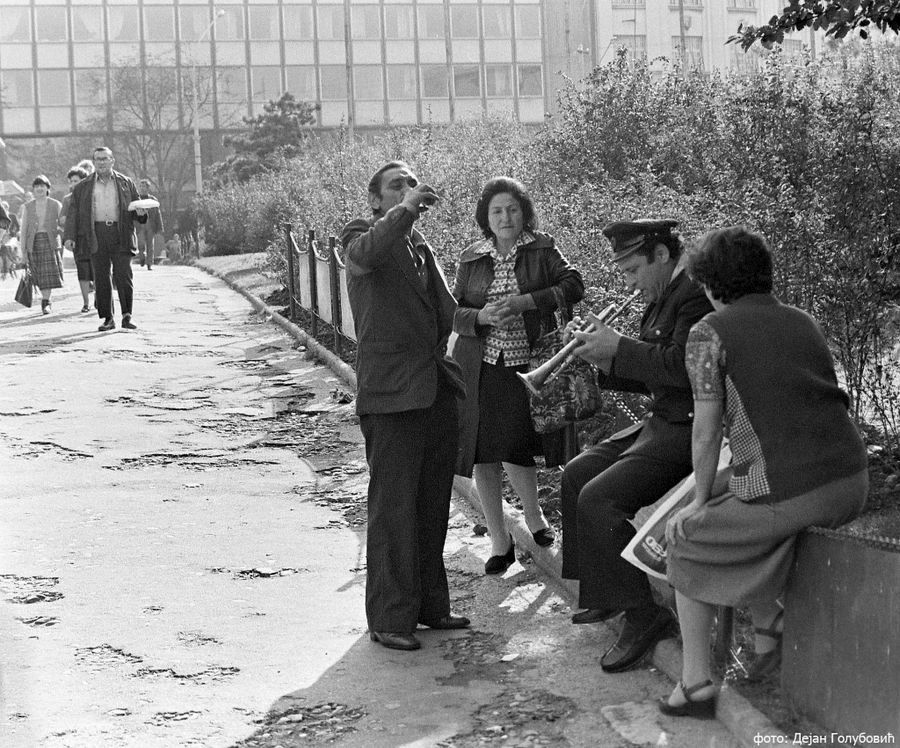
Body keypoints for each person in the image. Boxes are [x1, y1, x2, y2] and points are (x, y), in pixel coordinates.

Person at [659, 227, 868, 718]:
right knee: (727, 491)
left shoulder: (707, 332)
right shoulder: (803, 321)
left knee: (685, 536)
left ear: (709, 284)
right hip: (851, 478)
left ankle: (695, 685)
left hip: (795, 489)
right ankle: (769, 631)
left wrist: (696, 505)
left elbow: (707, 433)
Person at [560, 218, 713, 673]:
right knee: (576, 475)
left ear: (661, 255)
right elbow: (651, 372)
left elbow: (683, 368)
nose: (629, 283)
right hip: (663, 420)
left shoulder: (694, 295)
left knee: (600, 498)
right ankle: (606, 593)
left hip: (688, 427)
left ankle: (645, 617)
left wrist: (619, 345)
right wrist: (602, 356)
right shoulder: (664, 294)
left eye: (631, 271)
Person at [341, 160, 469, 652]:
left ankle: (431, 607)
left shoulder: (419, 246)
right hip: (391, 395)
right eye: (397, 185)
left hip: (433, 388)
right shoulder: (359, 234)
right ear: (377, 200)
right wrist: (407, 211)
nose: (408, 190)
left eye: (412, 183)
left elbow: (448, 310)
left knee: (432, 504)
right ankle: (390, 618)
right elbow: (368, 252)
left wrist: (490, 316)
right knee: (393, 507)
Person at [452, 177, 584, 574]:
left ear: (523, 212)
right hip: (481, 366)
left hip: (530, 363)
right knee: (483, 453)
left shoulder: (542, 248)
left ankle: (534, 518)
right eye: (497, 211)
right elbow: (453, 312)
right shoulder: (471, 257)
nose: (505, 217)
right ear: (486, 218)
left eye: (512, 209)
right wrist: (481, 316)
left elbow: (573, 286)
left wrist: (528, 301)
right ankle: (498, 540)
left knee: (515, 444)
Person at [63, 146, 147, 332]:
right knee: (101, 277)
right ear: (94, 163)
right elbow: (73, 213)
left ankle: (127, 315)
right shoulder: (84, 186)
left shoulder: (126, 183)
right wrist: (69, 237)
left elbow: (137, 207)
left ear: (112, 161)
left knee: (123, 275)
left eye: (104, 158)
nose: (101, 162)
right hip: (96, 233)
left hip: (120, 232)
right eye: (97, 159)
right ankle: (108, 318)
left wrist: (141, 214)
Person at [21, 175, 64, 315]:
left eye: (42, 186)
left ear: (47, 188)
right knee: (38, 274)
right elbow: (24, 229)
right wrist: (23, 252)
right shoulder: (27, 207)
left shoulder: (55, 204)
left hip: (50, 242)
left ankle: (46, 301)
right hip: (33, 242)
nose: (39, 188)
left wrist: (60, 232)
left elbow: (64, 224)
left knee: (47, 274)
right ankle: (45, 299)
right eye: (37, 186)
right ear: (33, 189)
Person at [60, 166, 93, 312]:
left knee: (99, 270)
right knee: (83, 271)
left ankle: (100, 299)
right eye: (71, 181)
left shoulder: (93, 195)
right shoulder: (67, 199)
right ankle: (86, 302)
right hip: (78, 239)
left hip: (95, 237)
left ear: (84, 181)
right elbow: (62, 220)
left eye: (76, 180)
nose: (73, 184)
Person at [136, 178, 164, 270]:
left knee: (150, 245)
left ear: (148, 188)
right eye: (141, 186)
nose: (142, 188)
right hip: (140, 225)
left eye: (144, 186)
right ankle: (142, 257)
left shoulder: (153, 200)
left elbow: (158, 214)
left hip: (150, 225)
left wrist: (160, 227)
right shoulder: (136, 199)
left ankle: (149, 264)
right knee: (140, 244)